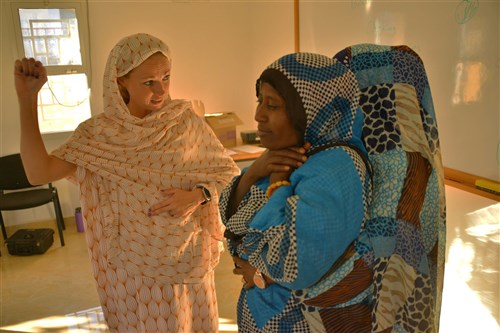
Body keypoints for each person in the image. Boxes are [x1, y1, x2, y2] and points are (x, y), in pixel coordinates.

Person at [14, 32, 240, 332]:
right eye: (149, 82)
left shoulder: (185, 123)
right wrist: (27, 98)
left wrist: (199, 194)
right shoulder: (98, 135)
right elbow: (38, 172)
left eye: (166, 78)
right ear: (121, 81)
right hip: (131, 273)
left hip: (186, 261)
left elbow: (228, 174)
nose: (161, 90)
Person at [220, 52, 374, 332]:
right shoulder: (290, 154)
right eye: (259, 101)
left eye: (273, 105)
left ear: (311, 111)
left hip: (299, 321)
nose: (258, 115)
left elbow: (294, 266)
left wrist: (279, 185)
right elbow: (231, 220)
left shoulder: (335, 168)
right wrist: (256, 171)